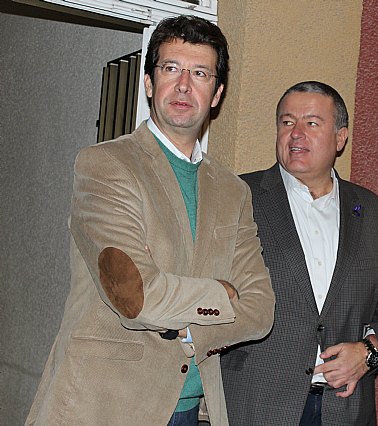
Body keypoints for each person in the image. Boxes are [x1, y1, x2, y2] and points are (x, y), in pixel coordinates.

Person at [26, 15, 274, 426]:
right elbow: (134, 297)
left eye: (200, 73)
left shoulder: (234, 191)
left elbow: (261, 309)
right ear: (148, 83)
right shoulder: (105, 165)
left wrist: (193, 331)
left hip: (192, 409)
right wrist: (224, 291)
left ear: (217, 94)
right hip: (106, 405)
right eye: (171, 68)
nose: (184, 85)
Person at [220, 81, 378, 425]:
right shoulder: (237, 196)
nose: (296, 133)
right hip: (255, 404)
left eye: (311, 123)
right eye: (287, 122)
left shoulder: (376, 214)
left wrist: (369, 352)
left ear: (340, 138)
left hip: (344, 409)